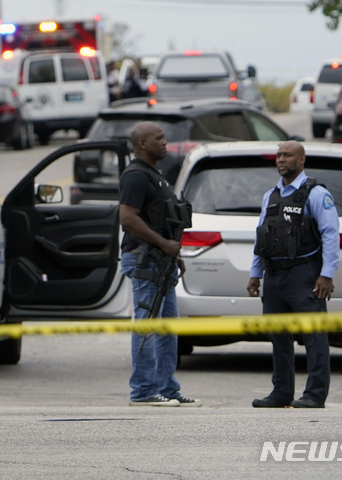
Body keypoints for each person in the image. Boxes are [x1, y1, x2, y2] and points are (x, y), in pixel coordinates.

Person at [247, 140, 339, 409]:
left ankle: (315, 394)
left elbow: (331, 235)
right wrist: (256, 274)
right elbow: (261, 236)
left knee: (314, 336)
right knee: (278, 336)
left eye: (287, 155)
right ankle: (281, 393)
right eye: (278, 155)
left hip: (305, 273)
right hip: (274, 276)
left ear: (302, 160)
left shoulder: (316, 193)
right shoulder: (270, 196)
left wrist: (327, 274)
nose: (281, 159)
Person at [119, 121, 201, 407]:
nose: (165, 143)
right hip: (144, 260)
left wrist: (173, 254)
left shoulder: (156, 176)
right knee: (147, 325)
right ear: (142, 144)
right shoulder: (136, 176)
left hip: (161, 262)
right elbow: (127, 217)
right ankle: (142, 391)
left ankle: (167, 389)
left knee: (167, 328)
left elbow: (162, 222)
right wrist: (163, 244)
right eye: (159, 138)